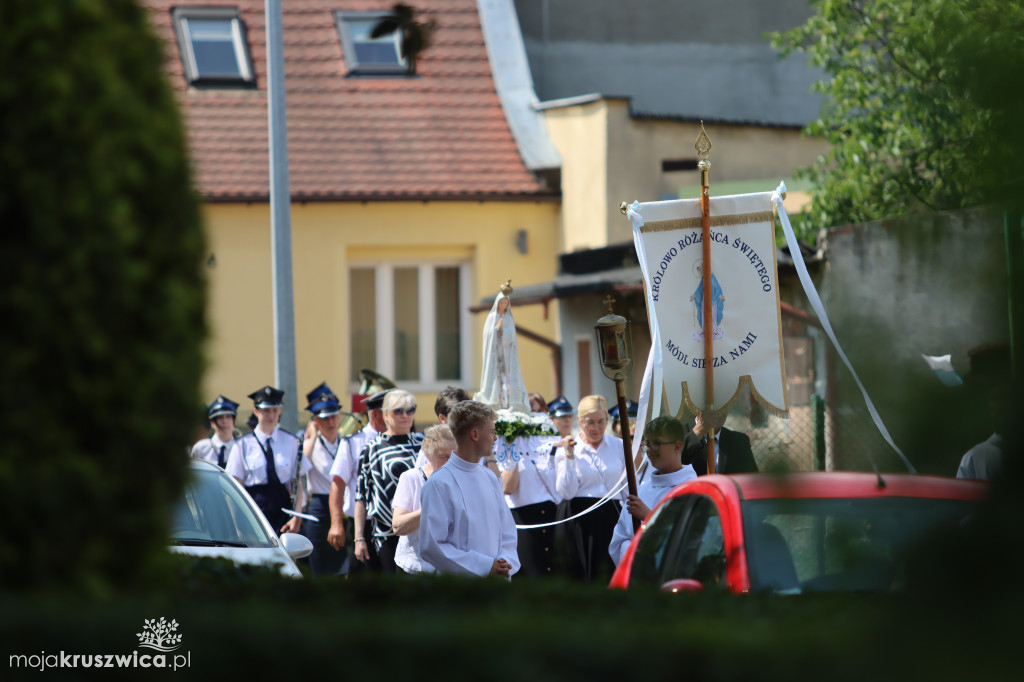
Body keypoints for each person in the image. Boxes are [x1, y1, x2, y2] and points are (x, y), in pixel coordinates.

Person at [419, 400, 520, 577]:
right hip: (460, 589)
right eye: (491, 432)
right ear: (474, 434)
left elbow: (507, 531)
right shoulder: (439, 483)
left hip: (497, 584)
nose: (495, 438)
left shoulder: (489, 477)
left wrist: (505, 563)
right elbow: (432, 546)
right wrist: (485, 566)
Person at [554, 394, 625, 582]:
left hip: (611, 516)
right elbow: (566, 492)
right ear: (579, 421)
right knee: (579, 576)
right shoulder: (567, 449)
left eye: (601, 422)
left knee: (610, 574)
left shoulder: (619, 446)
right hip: (578, 518)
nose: (596, 428)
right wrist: (569, 457)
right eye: (590, 422)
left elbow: (626, 487)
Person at [609, 416, 696, 565]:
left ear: (677, 446)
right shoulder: (641, 491)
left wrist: (649, 516)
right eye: (647, 444)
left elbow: (691, 540)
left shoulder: (694, 489)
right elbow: (618, 542)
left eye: (656, 444)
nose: (649, 451)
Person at [354, 389, 423, 573]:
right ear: (385, 414)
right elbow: (361, 496)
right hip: (387, 532)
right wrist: (359, 538)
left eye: (410, 410)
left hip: (422, 528)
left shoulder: (424, 444)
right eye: (398, 411)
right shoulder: (372, 448)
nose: (405, 416)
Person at [226, 385, 310, 535]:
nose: (271, 415)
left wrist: (297, 517)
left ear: (280, 411)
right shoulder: (242, 445)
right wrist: (237, 523)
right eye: (266, 410)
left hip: (283, 514)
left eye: (275, 410)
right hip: (252, 512)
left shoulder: (291, 442)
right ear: (256, 411)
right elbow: (235, 486)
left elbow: (298, 485)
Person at [498, 396, 565, 578]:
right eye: (530, 413)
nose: (534, 418)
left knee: (555, 572)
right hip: (523, 516)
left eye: (538, 412)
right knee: (529, 572)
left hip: (553, 512)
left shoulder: (552, 439)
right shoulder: (506, 442)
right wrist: (512, 442)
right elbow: (508, 488)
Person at [328, 388, 391, 572]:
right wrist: (336, 523)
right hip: (362, 524)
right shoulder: (353, 442)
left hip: (391, 522)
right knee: (362, 578)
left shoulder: (396, 440)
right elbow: (338, 484)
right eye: (391, 411)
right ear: (377, 415)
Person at [392, 424, 456, 573]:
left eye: (454, 456)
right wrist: (429, 509)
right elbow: (398, 526)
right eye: (444, 457)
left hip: (448, 569)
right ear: (428, 456)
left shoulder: (461, 479)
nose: (450, 463)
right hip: (414, 568)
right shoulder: (411, 478)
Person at [300, 382, 348, 576]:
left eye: (334, 416)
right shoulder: (311, 444)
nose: (331, 421)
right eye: (325, 418)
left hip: (343, 505)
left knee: (343, 558)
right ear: (315, 421)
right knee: (318, 560)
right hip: (319, 505)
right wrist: (311, 437)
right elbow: (301, 467)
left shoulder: (346, 441)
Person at [474, 280, 529, 412]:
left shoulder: (509, 318)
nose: (503, 304)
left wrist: (503, 332)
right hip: (495, 354)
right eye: (502, 302)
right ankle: (494, 402)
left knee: (508, 381)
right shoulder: (492, 317)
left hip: (507, 354)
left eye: (506, 303)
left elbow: (511, 337)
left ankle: (509, 403)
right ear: (498, 303)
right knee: (495, 379)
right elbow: (488, 336)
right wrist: (496, 330)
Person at [681, 410, 758, 475]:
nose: (719, 412)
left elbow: (752, 480)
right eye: (714, 406)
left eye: (724, 406)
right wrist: (698, 432)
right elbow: (675, 464)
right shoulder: (678, 433)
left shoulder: (739, 440)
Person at [190, 395, 239, 468]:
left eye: (228, 417)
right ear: (212, 423)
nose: (224, 421)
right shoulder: (201, 448)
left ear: (234, 421)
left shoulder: (241, 447)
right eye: (220, 417)